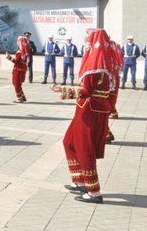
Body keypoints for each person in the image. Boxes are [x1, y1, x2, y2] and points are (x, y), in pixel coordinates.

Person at [51, 29, 119, 204]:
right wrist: (110, 109)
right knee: (69, 142)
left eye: (88, 40)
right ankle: (80, 180)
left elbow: (86, 91)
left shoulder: (93, 66)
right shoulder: (111, 66)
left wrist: (64, 90)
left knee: (84, 148)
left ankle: (94, 191)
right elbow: (113, 93)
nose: (86, 43)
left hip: (88, 111)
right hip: (96, 110)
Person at [6, 36, 29, 103]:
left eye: (18, 41)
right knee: (18, 84)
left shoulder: (20, 52)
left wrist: (9, 57)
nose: (17, 42)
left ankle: (19, 98)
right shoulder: (24, 51)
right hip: (22, 70)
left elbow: (16, 62)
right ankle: (22, 96)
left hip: (18, 71)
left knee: (16, 84)